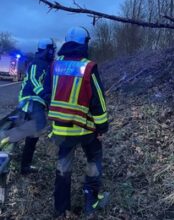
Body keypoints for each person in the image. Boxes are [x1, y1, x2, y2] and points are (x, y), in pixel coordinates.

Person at [45, 27, 109, 217]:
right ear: (85, 43)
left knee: (63, 168)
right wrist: (102, 127)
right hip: (85, 129)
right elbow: (98, 101)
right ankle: (91, 202)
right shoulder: (88, 67)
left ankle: (60, 208)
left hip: (61, 131)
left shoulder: (55, 66)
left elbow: (47, 94)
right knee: (93, 161)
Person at [0, 38, 56, 174]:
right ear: (47, 49)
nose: (53, 52)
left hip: (37, 102)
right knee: (37, 125)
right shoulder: (38, 63)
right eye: (51, 50)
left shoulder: (46, 64)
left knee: (33, 135)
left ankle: (25, 167)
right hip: (31, 100)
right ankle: (5, 137)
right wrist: (45, 95)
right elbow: (34, 81)